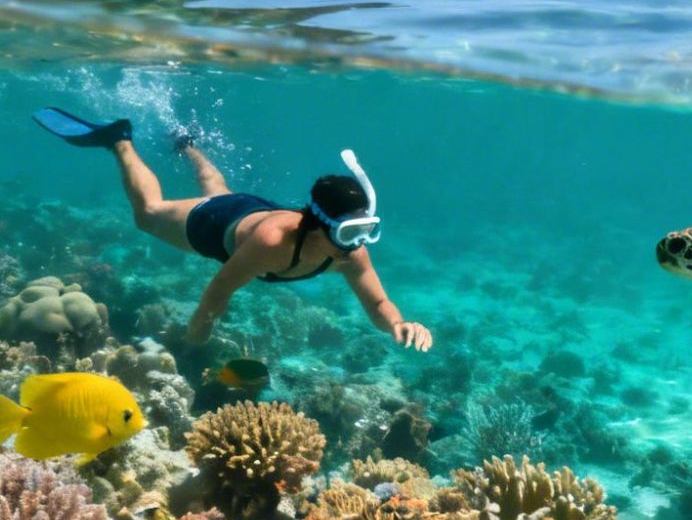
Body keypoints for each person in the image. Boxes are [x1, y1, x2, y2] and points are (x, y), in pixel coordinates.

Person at [34, 109, 433, 352]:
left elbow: (379, 305)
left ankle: (187, 146)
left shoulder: (350, 253)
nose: (359, 244)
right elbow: (219, 291)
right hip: (219, 224)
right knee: (150, 214)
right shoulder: (270, 245)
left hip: (254, 211)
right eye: (350, 232)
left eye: (366, 229)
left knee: (220, 189)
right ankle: (119, 140)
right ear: (321, 225)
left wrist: (398, 323)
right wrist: (195, 339)